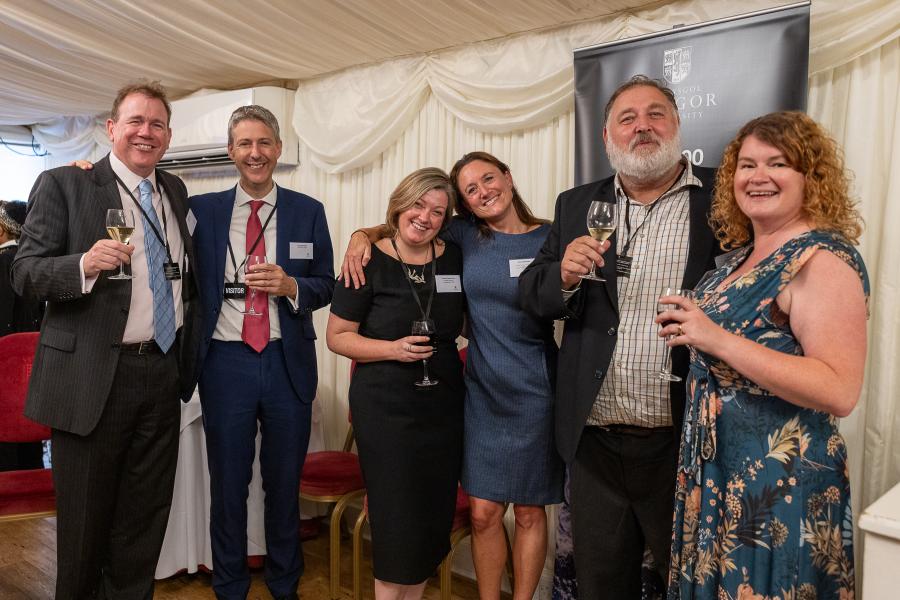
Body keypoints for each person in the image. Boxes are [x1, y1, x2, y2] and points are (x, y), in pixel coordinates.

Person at [517, 74, 721, 599]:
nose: (642, 127)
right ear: (607, 138)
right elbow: (533, 292)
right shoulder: (576, 203)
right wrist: (561, 274)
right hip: (595, 440)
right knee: (602, 583)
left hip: (684, 438)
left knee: (688, 582)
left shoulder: (724, 197)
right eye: (627, 119)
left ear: (677, 126)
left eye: (655, 114)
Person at [340, 152, 563, 600]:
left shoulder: (550, 238)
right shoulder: (465, 235)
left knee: (529, 513)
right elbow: (409, 221)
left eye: (488, 179)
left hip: (536, 389)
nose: (483, 192)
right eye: (471, 190)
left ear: (508, 177)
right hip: (479, 389)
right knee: (482, 512)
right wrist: (360, 235)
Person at [662, 111, 866, 599]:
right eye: (746, 165)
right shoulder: (736, 258)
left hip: (777, 492)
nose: (757, 177)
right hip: (715, 481)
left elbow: (838, 389)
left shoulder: (821, 260)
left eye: (777, 164)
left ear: (809, 178)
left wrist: (717, 339)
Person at [11, 80, 200, 599]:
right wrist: (83, 264)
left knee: (143, 520)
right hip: (94, 376)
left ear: (167, 136)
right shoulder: (64, 185)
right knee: (85, 526)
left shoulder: (174, 191)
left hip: (161, 370)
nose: (146, 132)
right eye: (135, 121)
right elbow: (25, 274)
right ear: (112, 128)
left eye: (157, 124)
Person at [190, 105, 335, 600]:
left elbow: (326, 285)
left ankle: (284, 583)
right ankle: (229, 586)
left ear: (278, 149)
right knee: (228, 485)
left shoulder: (307, 210)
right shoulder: (202, 212)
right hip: (224, 362)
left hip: (284, 361)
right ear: (231, 152)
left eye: (264, 143)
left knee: (282, 484)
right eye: (245, 144)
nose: (256, 153)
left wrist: (293, 285)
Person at [327, 168, 465, 600]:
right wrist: (392, 349)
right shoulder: (365, 259)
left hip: (443, 407)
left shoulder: (455, 254)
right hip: (386, 411)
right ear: (400, 203)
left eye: (438, 211)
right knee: (396, 523)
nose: (425, 217)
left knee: (429, 520)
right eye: (418, 204)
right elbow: (337, 337)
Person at [0, 199, 44, 472]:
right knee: (30, 431)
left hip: (5, 363)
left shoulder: (2, 262)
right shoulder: (31, 262)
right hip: (32, 363)